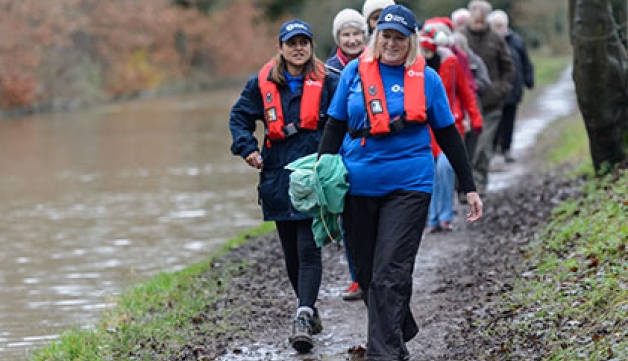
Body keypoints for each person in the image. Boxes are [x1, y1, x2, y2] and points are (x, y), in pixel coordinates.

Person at [318, 5, 483, 360]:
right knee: (366, 273)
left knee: (390, 269)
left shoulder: (427, 79)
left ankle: (384, 353)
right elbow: (333, 126)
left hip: (409, 184)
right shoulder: (353, 74)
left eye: (399, 38)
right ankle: (398, 329)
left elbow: (449, 135)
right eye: (386, 36)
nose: (392, 43)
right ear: (377, 38)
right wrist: (320, 175)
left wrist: (468, 187)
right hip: (358, 185)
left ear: (411, 41)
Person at [228, 19, 339, 354]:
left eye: (304, 42)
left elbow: (345, 120)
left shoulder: (328, 81)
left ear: (311, 46)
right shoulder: (259, 83)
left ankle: (303, 315)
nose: (298, 48)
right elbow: (239, 118)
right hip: (277, 174)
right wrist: (247, 147)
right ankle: (308, 309)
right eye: (292, 43)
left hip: (313, 171)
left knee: (308, 247)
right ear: (281, 47)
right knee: (290, 250)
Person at [419, 25, 483, 233]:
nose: (425, 55)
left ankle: (445, 215)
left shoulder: (451, 64)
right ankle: (432, 218)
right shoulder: (414, 69)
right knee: (431, 172)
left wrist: (475, 118)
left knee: (445, 169)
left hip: (450, 124)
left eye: (428, 51)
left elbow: (465, 92)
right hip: (426, 129)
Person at [326, 8, 368, 302]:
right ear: (338, 38)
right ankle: (356, 278)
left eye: (356, 34)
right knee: (346, 218)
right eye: (346, 34)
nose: (352, 39)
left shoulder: (378, 63)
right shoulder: (327, 71)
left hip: (370, 149)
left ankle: (374, 274)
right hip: (340, 149)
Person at [461, 0, 515, 192]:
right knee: (466, 148)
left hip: (491, 103)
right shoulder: (460, 37)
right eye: (476, 19)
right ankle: (464, 187)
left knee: (483, 147)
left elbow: (508, 67)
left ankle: (479, 182)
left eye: (482, 20)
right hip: (466, 105)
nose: (478, 23)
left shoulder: (496, 39)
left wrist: (501, 89)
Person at [488, 9, 534, 163]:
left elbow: (526, 62)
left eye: (501, 25)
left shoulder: (516, 41)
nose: (499, 29)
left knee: (509, 120)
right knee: (494, 120)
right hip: (494, 89)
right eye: (496, 26)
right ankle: (493, 149)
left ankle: (506, 149)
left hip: (513, 88)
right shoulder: (489, 41)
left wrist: (529, 80)